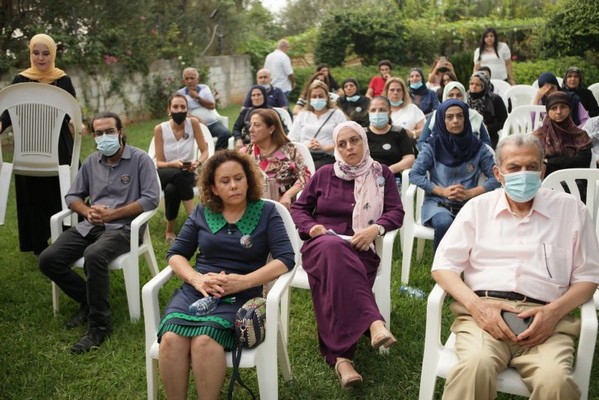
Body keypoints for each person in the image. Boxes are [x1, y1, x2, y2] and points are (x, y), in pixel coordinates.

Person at [431, 133, 599, 400]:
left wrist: (554, 313)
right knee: (475, 367)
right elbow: (443, 266)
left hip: (546, 320)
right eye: (514, 167)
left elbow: (588, 278)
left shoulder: (571, 211)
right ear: (498, 173)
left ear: (543, 171)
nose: (524, 174)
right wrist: (477, 307)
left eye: (531, 167)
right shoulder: (477, 208)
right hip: (484, 315)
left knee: (555, 382)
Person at [157, 150, 295, 399]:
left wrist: (243, 281)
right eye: (225, 181)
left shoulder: (266, 212)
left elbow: (286, 259)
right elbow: (176, 254)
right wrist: (197, 279)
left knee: (204, 341)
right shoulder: (201, 212)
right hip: (198, 290)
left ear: (248, 179)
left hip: (242, 296)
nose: (234, 185)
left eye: (239, 178)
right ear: (213, 186)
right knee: (171, 340)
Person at [290, 121, 404, 389]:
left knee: (338, 277)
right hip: (321, 246)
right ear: (336, 149)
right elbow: (299, 209)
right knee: (332, 248)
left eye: (354, 140)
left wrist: (374, 229)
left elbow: (396, 212)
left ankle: (343, 360)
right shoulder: (324, 173)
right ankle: (373, 322)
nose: (349, 147)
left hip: (360, 249)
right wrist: (311, 227)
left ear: (364, 141)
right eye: (342, 143)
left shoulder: (381, 174)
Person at [38, 111, 161, 354]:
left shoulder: (140, 160)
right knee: (48, 259)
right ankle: (88, 300)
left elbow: (150, 199)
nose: (104, 137)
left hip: (125, 228)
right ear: (93, 136)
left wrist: (112, 215)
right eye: (99, 133)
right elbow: (73, 196)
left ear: (120, 132)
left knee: (95, 255)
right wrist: (86, 211)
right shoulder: (92, 161)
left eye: (109, 131)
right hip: (91, 225)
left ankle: (99, 326)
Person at [0, 33, 77, 255]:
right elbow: (8, 113)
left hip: (59, 145)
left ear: (52, 54)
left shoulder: (63, 80)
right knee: (33, 195)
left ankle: (70, 239)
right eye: (36, 53)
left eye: (45, 53)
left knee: (69, 187)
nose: (40, 58)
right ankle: (39, 244)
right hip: (29, 148)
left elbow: (71, 111)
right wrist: (1, 124)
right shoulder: (20, 80)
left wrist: (78, 123)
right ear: (30, 53)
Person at [409, 99, 500, 251]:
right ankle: (442, 268)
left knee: (480, 224)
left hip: (469, 204)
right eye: (449, 117)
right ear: (441, 120)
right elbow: (414, 174)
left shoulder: (478, 147)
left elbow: (497, 177)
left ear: (466, 117)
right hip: (438, 204)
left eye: (460, 116)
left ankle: (471, 266)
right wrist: (442, 191)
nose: (455, 121)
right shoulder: (432, 146)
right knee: (444, 222)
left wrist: (470, 193)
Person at [154, 93, 209, 242]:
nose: (179, 110)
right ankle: (196, 221)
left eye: (183, 107)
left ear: (187, 109)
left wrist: (197, 163)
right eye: (175, 107)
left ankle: (169, 231)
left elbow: (205, 151)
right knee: (177, 175)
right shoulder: (160, 129)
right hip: (164, 172)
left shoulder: (193, 124)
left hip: (187, 173)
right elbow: (159, 162)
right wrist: (172, 164)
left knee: (173, 189)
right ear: (169, 110)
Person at [241, 108, 311, 209]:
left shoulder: (289, 151)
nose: (251, 129)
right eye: (251, 124)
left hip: (282, 207)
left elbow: (305, 176)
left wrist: (288, 195)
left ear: (271, 129)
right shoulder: (245, 153)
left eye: (256, 125)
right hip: (252, 207)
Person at [532, 91, 592, 179]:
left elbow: (583, 162)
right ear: (548, 111)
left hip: (576, 183)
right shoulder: (539, 136)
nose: (559, 112)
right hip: (546, 184)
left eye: (563, 107)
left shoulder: (580, 136)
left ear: (570, 109)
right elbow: (535, 164)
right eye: (554, 108)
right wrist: (568, 161)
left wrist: (550, 161)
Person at [288, 80, 347, 169]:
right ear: (309, 98)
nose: (317, 99)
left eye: (320, 96)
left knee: (313, 169)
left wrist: (326, 148)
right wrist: (305, 146)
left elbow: (345, 139)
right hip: (305, 155)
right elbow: (291, 139)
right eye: (314, 96)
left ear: (327, 97)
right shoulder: (303, 114)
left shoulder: (337, 114)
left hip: (328, 156)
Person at [419, 81, 492, 151]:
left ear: (464, 97)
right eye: (450, 95)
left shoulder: (474, 116)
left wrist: (477, 154)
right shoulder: (435, 116)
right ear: (445, 97)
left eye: (459, 95)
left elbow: (486, 142)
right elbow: (422, 142)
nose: (455, 98)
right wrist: (434, 153)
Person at [366, 96, 415, 190]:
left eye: (382, 110)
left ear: (390, 112)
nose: (377, 113)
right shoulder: (361, 134)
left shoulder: (399, 132)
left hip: (393, 179)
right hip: (366, 179)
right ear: (368, 112)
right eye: (373, 110)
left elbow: (409, 158)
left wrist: (389, 170)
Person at [177, 67, 231, 150]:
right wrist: (197, 120)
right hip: (195, 126)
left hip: (212, 124)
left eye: (192, 78)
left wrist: (197, 97)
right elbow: (182, 112)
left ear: (197, 79)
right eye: (187, 79)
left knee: (226, 133)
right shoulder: (180, 94)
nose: (190, 81)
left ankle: (218, 156)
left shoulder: (204, 88)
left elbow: (212, 106)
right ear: (184, 81)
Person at [467, 71, 507, 148]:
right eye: (471, 84)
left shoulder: (494, 99)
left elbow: (503, 121)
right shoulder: (465, 98)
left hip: (490, 135)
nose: (474, 87)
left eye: (477, 84)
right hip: (468, 134)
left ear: (484, 85)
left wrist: (486, 128)